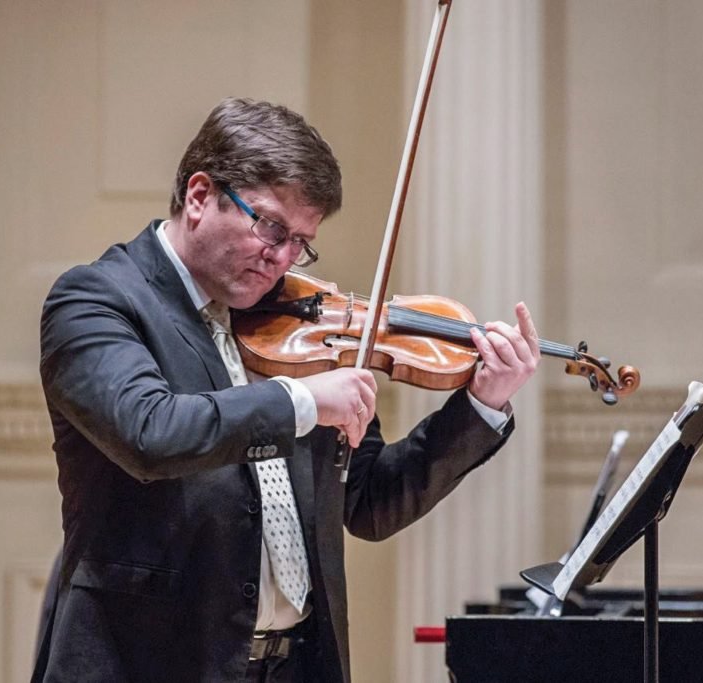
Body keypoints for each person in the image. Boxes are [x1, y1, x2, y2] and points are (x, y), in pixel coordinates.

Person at [34, 97, 539, 682]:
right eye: (271, 226)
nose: (283, 258)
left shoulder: (306, 327)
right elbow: (150, 432)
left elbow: (372, 503)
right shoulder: (98, 300)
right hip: (150, 663)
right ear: (200, 196)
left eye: (302, 240)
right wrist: (304, 401)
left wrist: (482, 403)